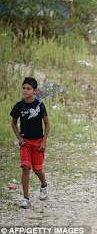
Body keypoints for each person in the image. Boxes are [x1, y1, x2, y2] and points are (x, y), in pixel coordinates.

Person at [10, 77, 50, 209]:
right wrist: (19, 138)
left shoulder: (39, 106)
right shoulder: (19, 106)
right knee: (26, 167)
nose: (25, 91)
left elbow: (47, 124)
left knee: (38, 169)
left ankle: (44, 185)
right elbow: (14, 123)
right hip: (25, 142)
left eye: (28, 89)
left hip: (38, 142)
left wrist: (44, 141)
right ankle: (25, 198)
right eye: (24, 88)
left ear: (35, 90)